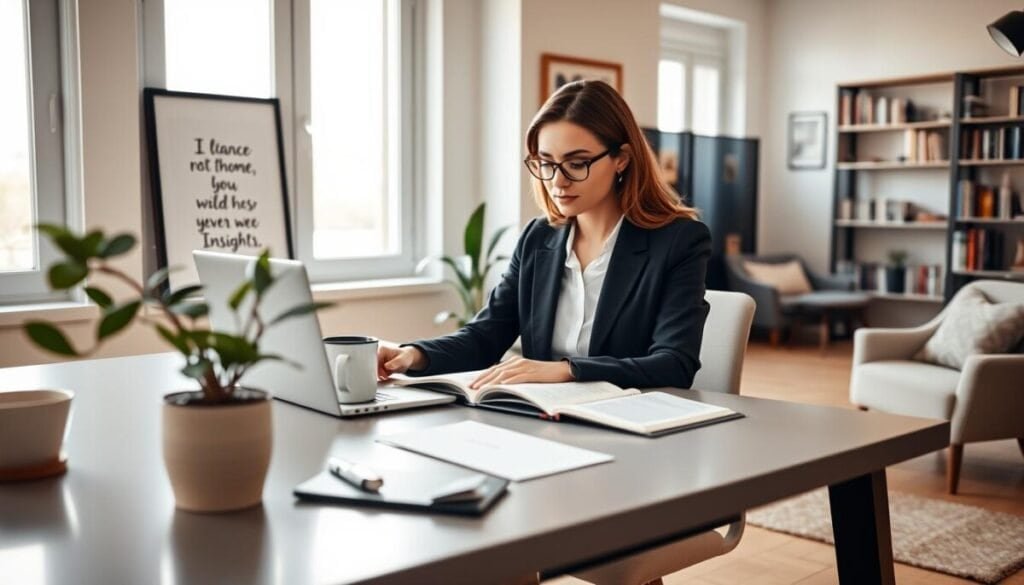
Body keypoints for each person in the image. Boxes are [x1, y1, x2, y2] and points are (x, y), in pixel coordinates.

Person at [377, 79, 710, 390]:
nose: (557, 181)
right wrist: (411, 355)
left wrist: (567, 370)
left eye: (577, 163)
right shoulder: (539, 238)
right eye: (546, 162)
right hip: (543, 419)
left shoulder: (679, 241)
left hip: (626, 425)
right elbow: (486, 336)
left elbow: (674, 364)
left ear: (621, 159)